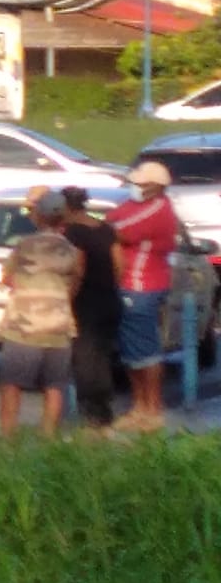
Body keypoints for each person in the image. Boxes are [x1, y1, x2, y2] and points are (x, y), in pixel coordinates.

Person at [0, 190, 82, 437]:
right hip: (58, 327)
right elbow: (75, 282)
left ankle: (8, 439)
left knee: (11, 384)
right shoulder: (71, 251)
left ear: (39, 215)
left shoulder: (24, 245)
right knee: (54, 386)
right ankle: (48, 438)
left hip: (23, 327)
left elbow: (8, 278)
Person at [106, 160, 181, 432]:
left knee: (145, 350)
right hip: (130, 285)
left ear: (156, 187)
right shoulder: (135, 205)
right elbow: (112, 218)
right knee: (132, 351)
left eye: (140, 184)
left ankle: (152, 408)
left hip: (142, 285)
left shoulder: (158, 210)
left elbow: (115, 228)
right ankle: (140, 407)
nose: (134, 188)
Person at [60, 185, 121, 429]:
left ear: (67, 207)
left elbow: (78, 269)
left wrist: (68, 299)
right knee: (102, 355)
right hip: (109, 299)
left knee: (84, 357)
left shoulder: (74, 232)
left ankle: (91, 410)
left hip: (86, 302)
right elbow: (119, 264)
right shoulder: (105, 229)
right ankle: (104, 408)